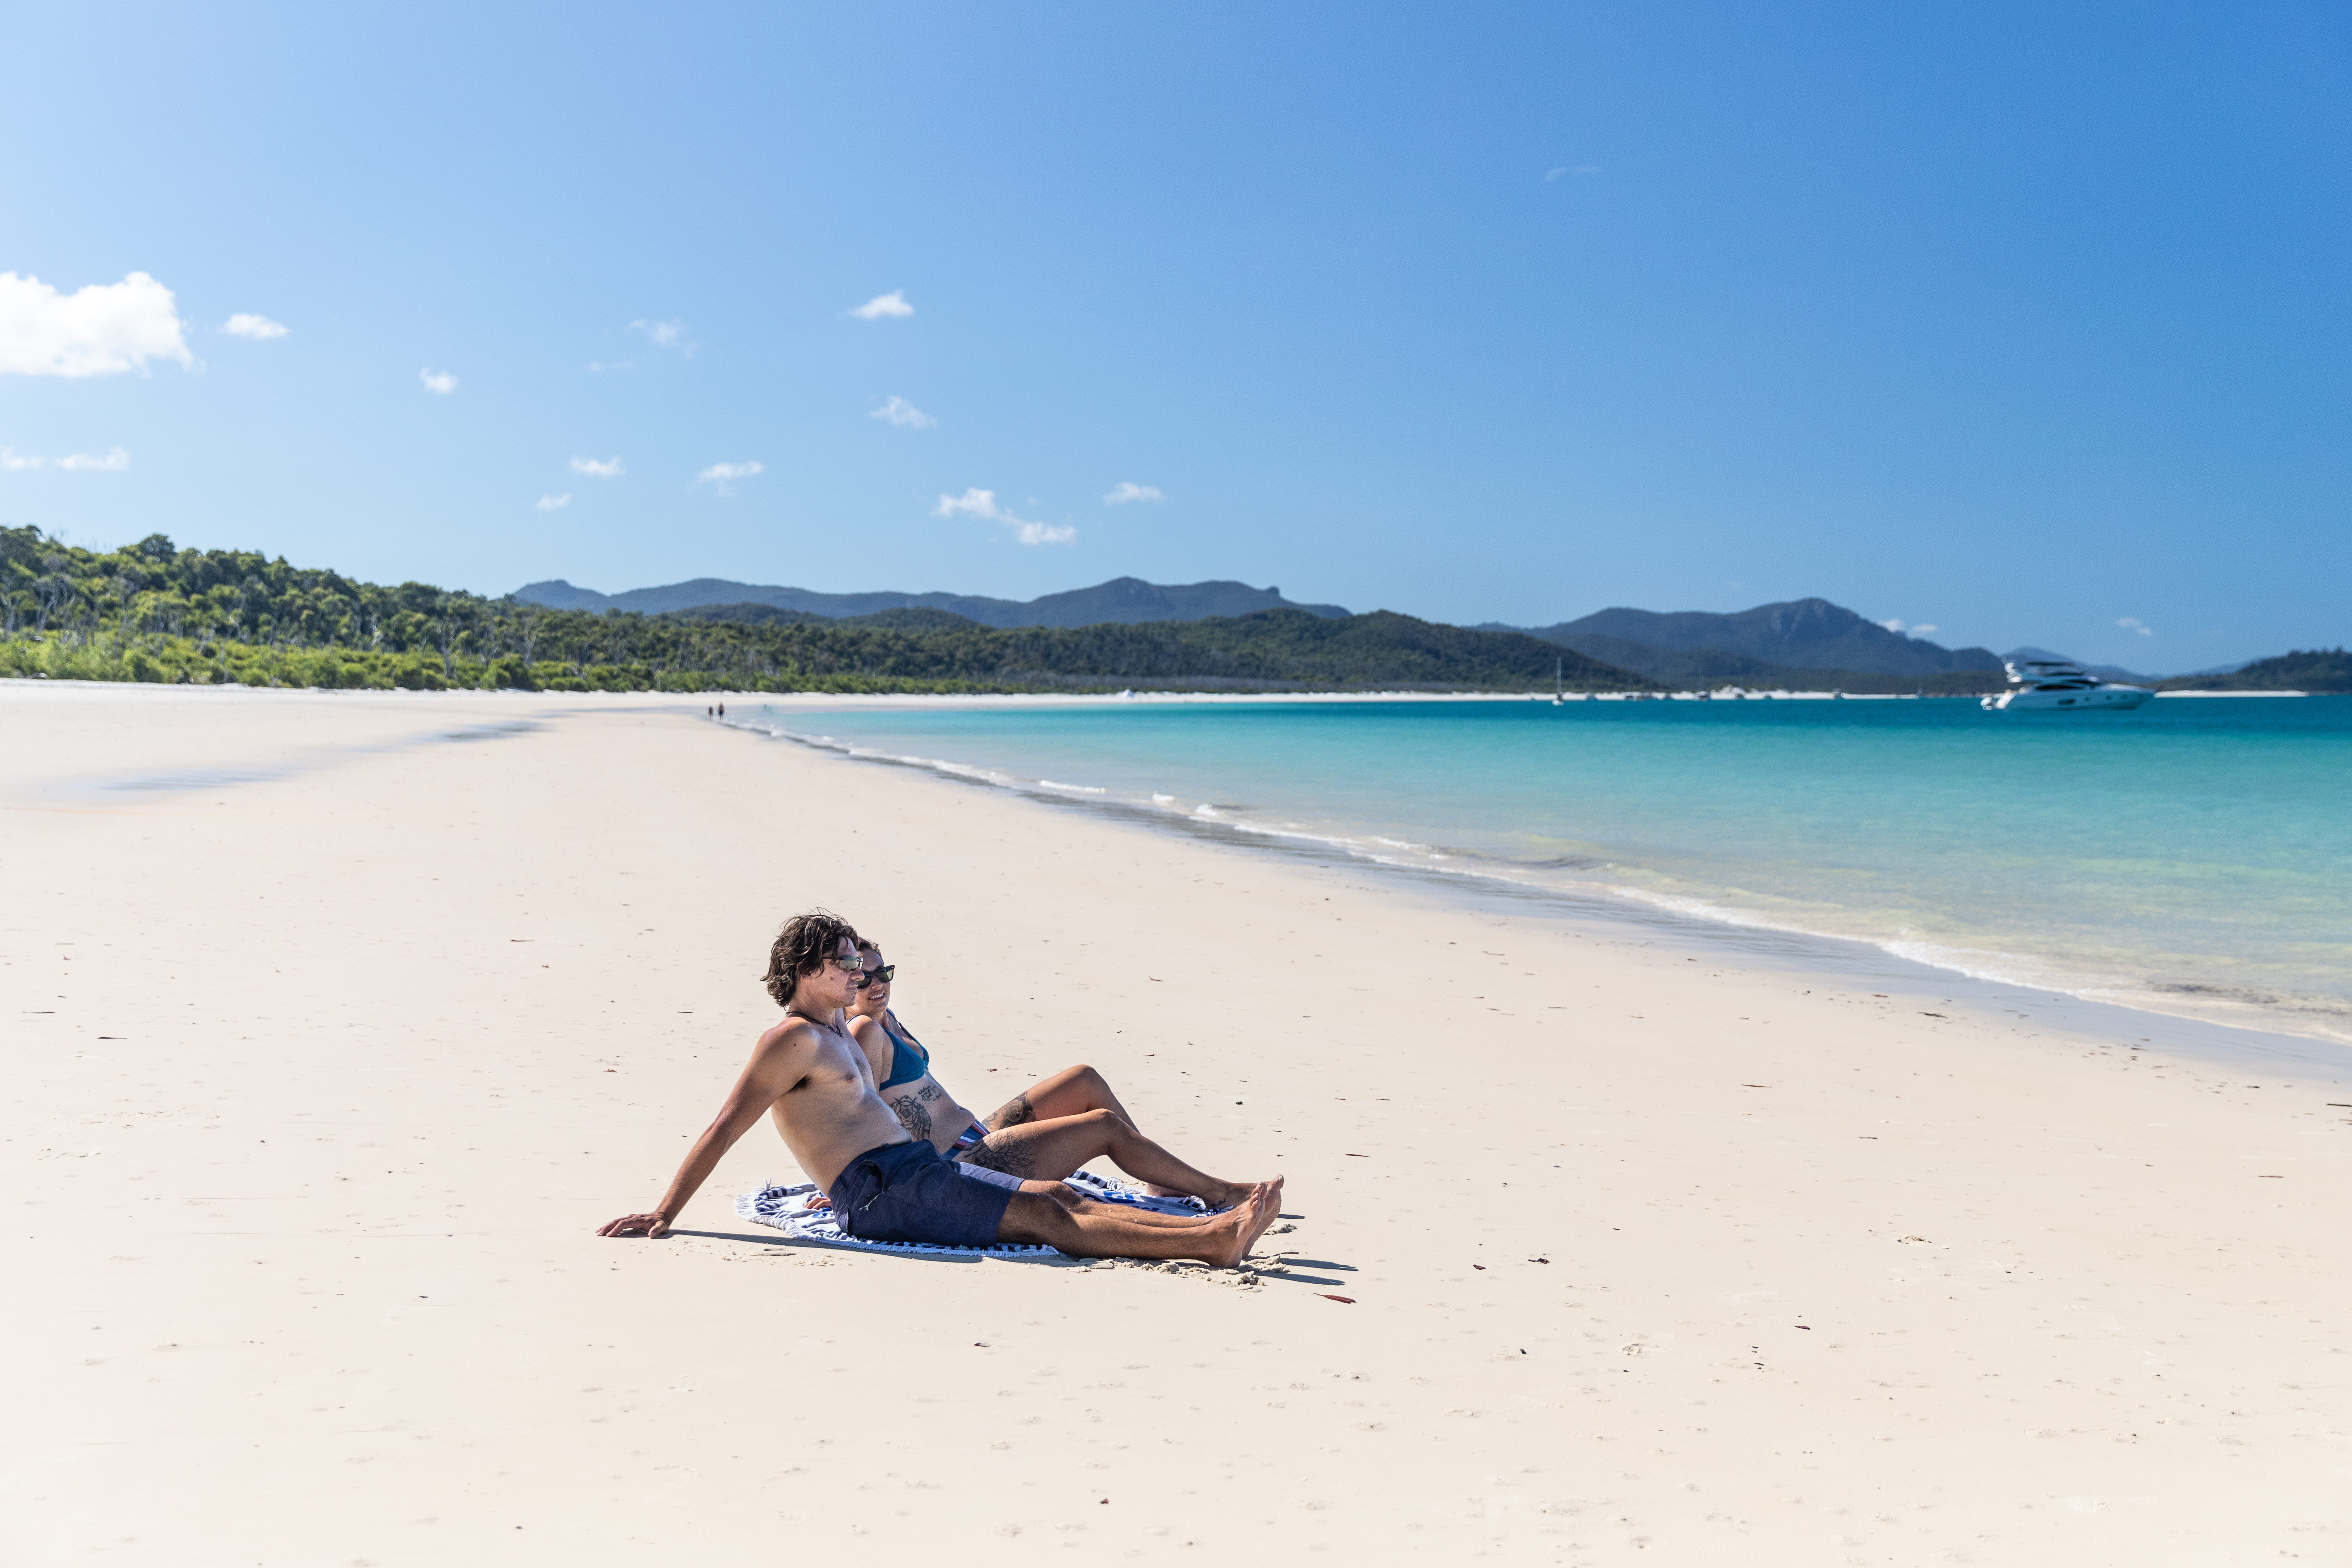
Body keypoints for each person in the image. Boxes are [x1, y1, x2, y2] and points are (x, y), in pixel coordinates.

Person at [596, 911, 1282, 1265]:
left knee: (1062, 1196)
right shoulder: (792, 1039)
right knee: (1050, 1220)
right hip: (882, 1192)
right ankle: (1212, 1240)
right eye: (841, 961)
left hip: (910, 1173)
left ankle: (1204, 1225)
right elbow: (726, 1125)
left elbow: (853, 1110)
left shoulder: (837, 1027)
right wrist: (665, 1212)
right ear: (807, 968)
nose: (855, 971)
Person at [845, 939, 1252, 1209]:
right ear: (847, 982)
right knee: (1102, 1127)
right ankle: (1219, 1192)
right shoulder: (863, 1029)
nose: (878, 983)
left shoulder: (886, 1017)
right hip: (960, 1162)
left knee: (1084, 1079)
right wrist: (853, 1184)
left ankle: (1159, 1183)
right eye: (865, 976)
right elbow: (864, 1116)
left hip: (976, 1133)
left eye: (885, 972)